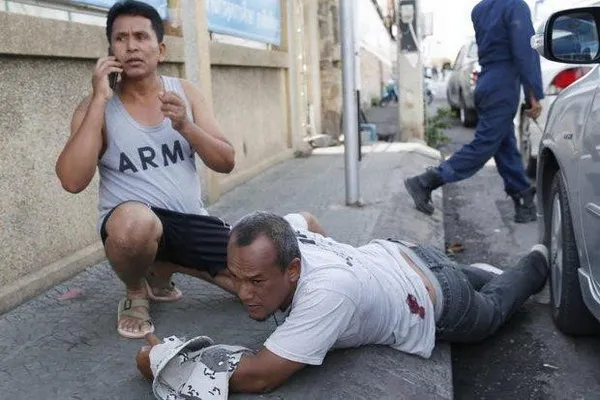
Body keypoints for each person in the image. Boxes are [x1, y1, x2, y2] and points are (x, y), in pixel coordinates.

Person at [135, 211, 548, 394]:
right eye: (236, 277)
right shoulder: (283, 235)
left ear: (292, 269)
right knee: (462, 273)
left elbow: (260, 376)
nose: (243, 293)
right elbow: (309, 219)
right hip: (403, 255)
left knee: (491, 312)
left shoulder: (327, 293)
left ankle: (538, 264)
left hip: (440, 301)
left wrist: (163, 360)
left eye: (257, 281)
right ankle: (474, 271)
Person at [55, 0, 236, 339]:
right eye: (121, 38)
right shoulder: (96, 107)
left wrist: (186, 126)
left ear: (160, 49)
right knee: (135, 224)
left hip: (191, 224)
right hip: (133, 229)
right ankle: (136, 291)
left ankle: (167, 265)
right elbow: (71, 180)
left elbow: (226, 161)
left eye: (141, 36)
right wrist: (98, 100)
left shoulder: (185, 93)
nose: (132, 46)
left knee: (256, 287)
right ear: (110, 50)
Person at [405, 0, 544, 223]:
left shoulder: (479, 9)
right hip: (503, 84)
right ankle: (426, 181)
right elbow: (525, 53)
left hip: (485, 82)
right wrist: (533, 93)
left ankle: (523, 196)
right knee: (484, 145)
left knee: (504, 143)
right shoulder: (515, 6)